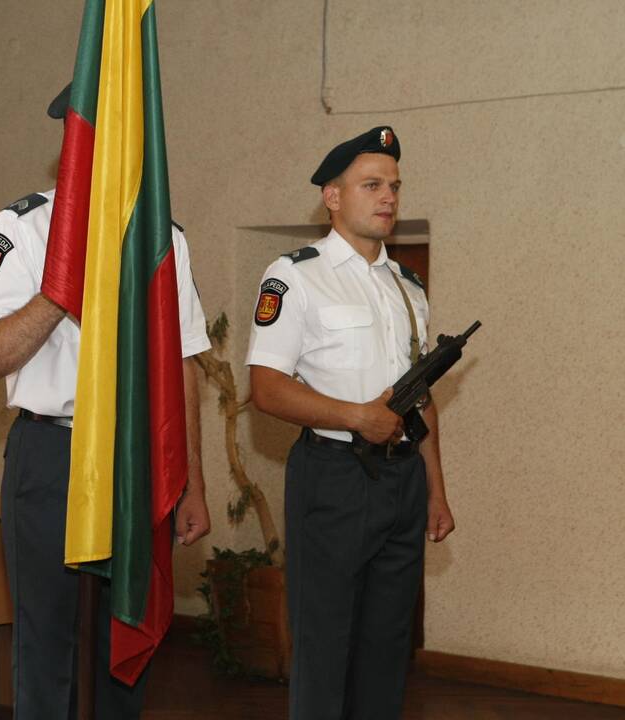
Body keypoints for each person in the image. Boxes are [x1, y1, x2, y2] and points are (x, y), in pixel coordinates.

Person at [0, 86, 212, 720]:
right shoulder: (20, 228)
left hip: (137, 454)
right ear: (71, 137)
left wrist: (192, 483)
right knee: (46, 642)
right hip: (53, 453)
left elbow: (184, 362)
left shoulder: (164, 237)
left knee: (127, 644)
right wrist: (58, 293)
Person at [245, 126, 455, 720]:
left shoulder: (406, 286)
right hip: (333, 478)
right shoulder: (294, 275)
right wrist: (356, 417)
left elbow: (421, 396)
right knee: (325, 644)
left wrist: (436, 489)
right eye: (371, 184)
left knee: (388, 649)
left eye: (394, 185)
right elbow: (266, 388)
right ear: (332, 197)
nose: (388, 196)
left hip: (403, 481)